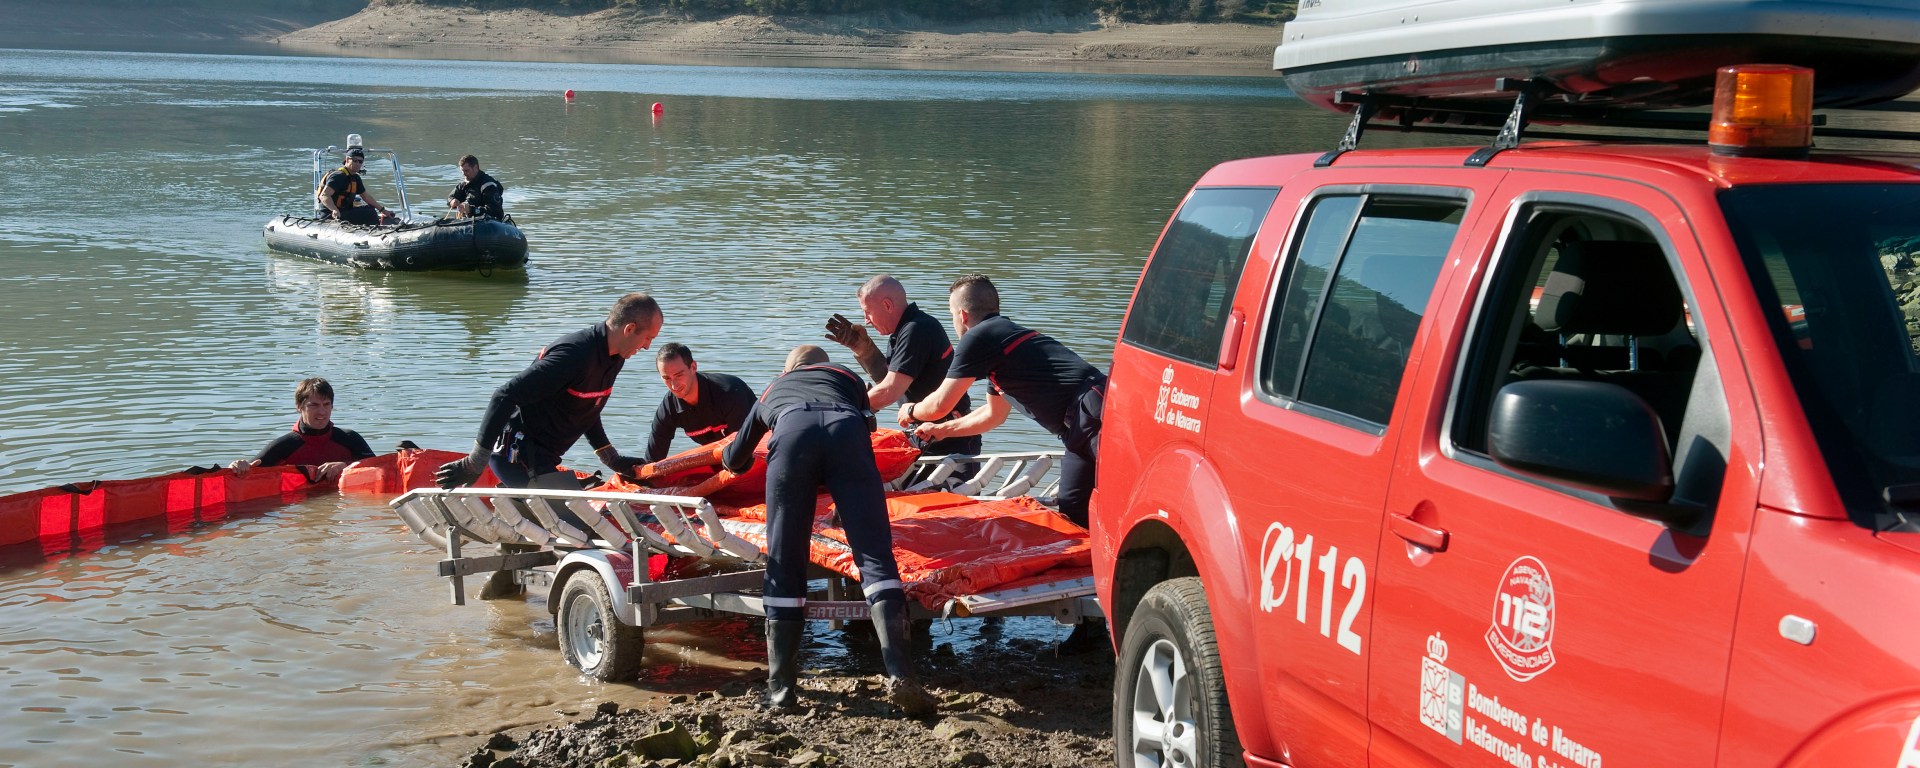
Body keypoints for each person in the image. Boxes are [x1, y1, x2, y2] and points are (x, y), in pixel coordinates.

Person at [722, 345, 937, 716]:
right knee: (875, 556)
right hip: (846, 432)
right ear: (824, 365)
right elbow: (868, 428)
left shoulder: (774, 388)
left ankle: (781, 691)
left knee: (784, 561)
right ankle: (901, 674)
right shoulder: (847, 377)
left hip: (792, 437)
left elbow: (735, 458)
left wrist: (733, 466)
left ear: (789, 370)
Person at [899, 274, 1108, 655]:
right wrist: (941, 431)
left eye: (951, 315)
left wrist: (912, 411)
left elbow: (941, 402)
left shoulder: (979, 338)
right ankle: (1091, 628)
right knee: (1075, 513)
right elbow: (993, 416)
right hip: (1079, 425)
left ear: (962, 315)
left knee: (1116, 508)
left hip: (1095, 414)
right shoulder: (1000, 343)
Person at [434, 293, 663, 597]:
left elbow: (589, 406)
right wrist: (474, 461)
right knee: (582, 531)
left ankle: (504, 590)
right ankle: (576, 597)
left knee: (541, 526)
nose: (647, 347)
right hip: (517, 455)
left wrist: (611, 458)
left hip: (543, 458)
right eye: (648, 338)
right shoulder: (573, 354)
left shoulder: (614, 357)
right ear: (629, 329)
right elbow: (504, 396)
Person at [824, 275, 981, 462]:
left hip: (951, 437)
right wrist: (864, 350)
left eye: (868, 312)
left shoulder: (917, 329)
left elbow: (890, 390)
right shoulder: (904, 330)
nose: (866, 321)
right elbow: (893, 383)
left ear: (887, 305)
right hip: (925, 434)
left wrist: (843, 410)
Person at [230, 377, 375, 483]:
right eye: (314, 405)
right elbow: (244, 474)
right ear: (299, 407)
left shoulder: (350, 439)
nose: (322, 412)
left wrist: (346, 467)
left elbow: (381, 468)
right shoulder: (284, 446)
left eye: (326, 404)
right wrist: (236, 467)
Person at [643, 342, 757, 463]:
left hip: (759, 447)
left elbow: (746, 449)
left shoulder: (729, 392)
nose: (674, 385)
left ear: (693, 367)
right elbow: (652, 461)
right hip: (723, 454)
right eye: (667, 378)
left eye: (679, 375)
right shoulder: (668, 408)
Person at [316, 147, 392, 226]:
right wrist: (334, 209)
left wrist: (383, 210)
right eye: (355, 160)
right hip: (331, 214)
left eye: (360, 161)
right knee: (370, 213)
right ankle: (377, 230)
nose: (358, 164)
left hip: (345, 212)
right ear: (347, 160)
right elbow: (324, 196)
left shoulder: (355, 178)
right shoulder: (338, 176)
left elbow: (366, 197)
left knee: (369, 208)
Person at [446, 154, 505, 220]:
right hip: (470, 221)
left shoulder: (488, 185)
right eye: (462, 171)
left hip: (488, 222)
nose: (464, 174)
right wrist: (452, 201)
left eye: (466, 171)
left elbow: (496, 213)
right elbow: (451, 197)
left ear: (475, 168)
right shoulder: (465, 184)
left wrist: (471, 210)